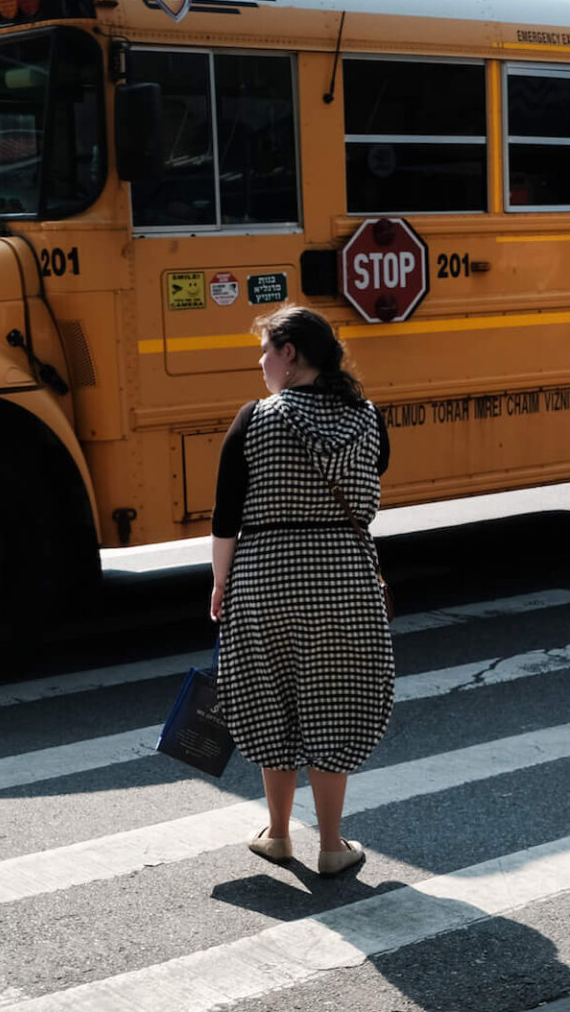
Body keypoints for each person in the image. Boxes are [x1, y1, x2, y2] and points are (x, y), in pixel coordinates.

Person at [210, 304, 394, 877]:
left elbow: (225, 516)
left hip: (266, 578)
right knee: (334, 701)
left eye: (265, 351)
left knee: (271, 698)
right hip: (344, 576)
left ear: (290, 355)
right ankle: (333, 845)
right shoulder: (366, 417)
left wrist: (220, 583)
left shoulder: (255, 419)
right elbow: (379, 469)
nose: (261, 363)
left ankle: (280, 834)